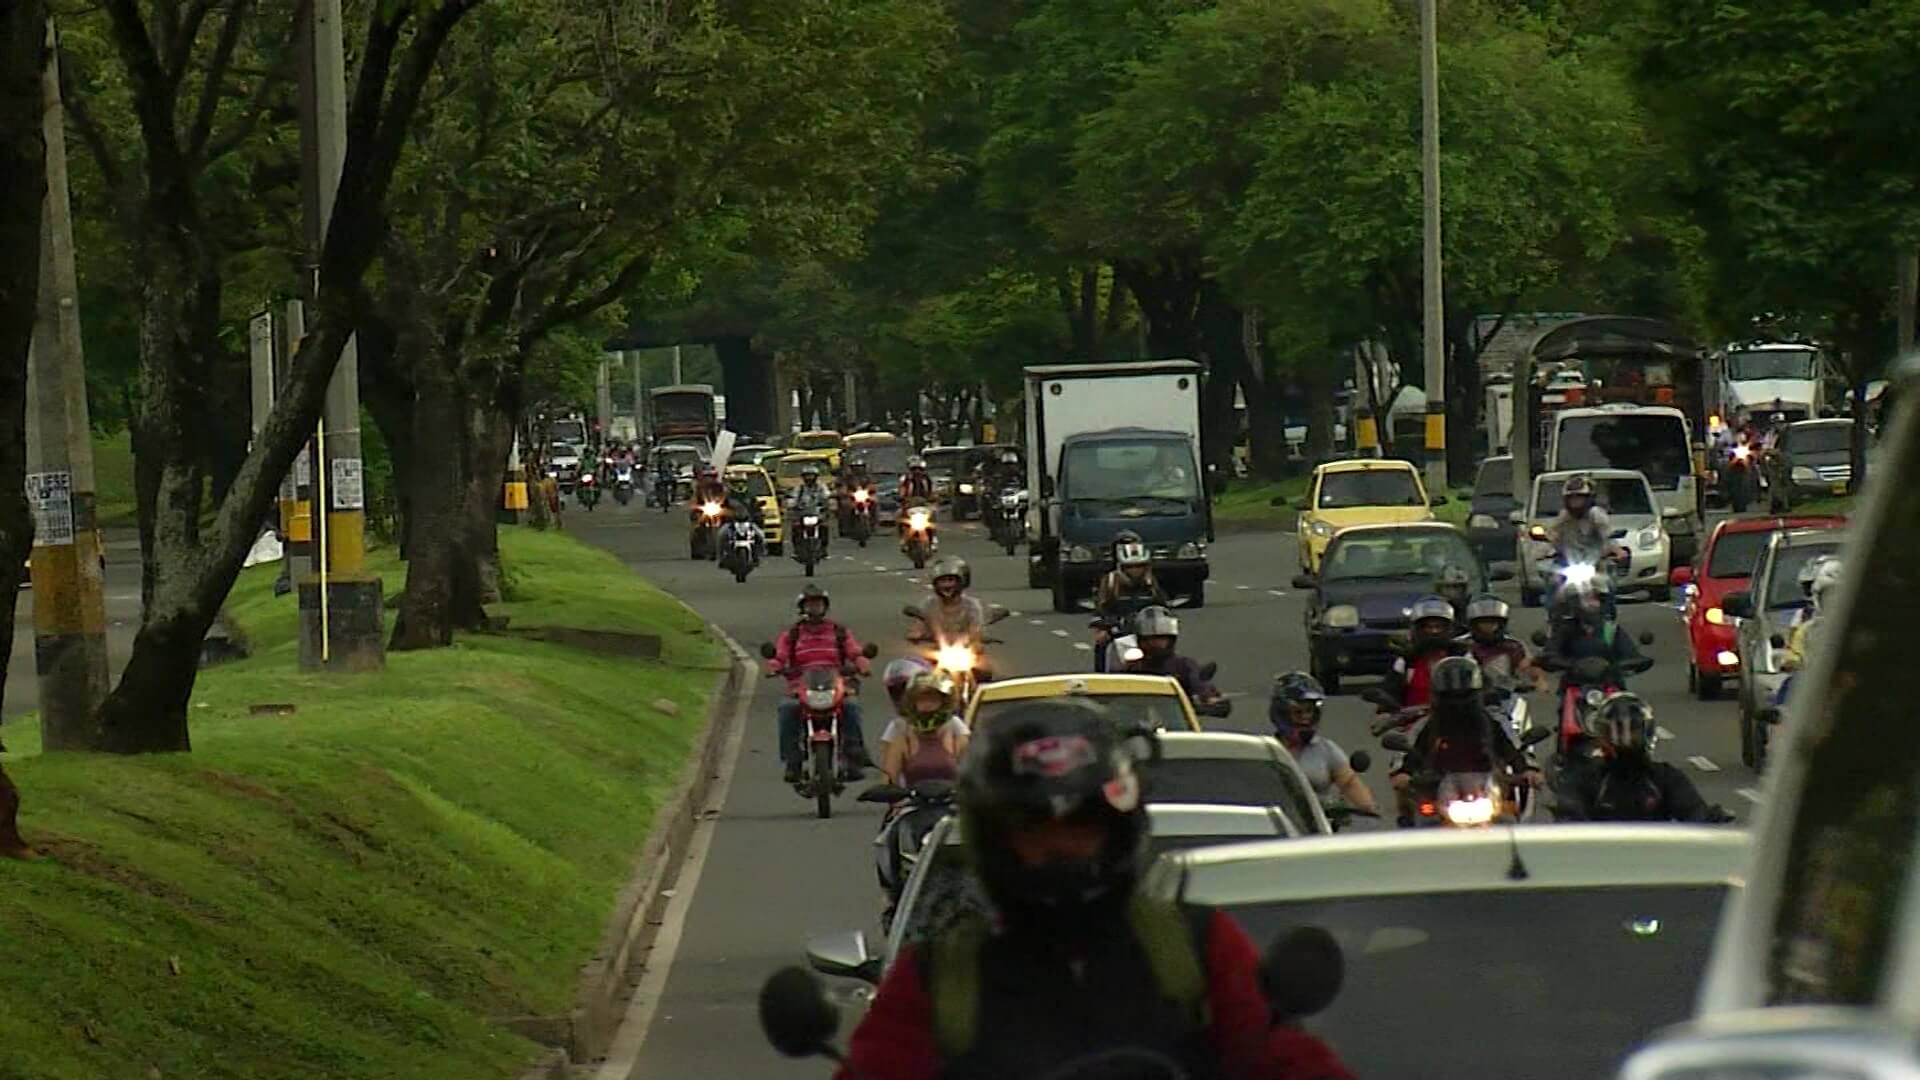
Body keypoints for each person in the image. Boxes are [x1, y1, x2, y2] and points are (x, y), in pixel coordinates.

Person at [836, 700, 1357, 1080]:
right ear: (996, 841)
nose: (1063, 847)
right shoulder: (940, 979)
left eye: (1083, 827)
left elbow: (1285, 1059)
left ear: (1120, 828)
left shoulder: (1194, 948)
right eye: (1036, 832)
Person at [1390, 656, 1540, 825]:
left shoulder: (1493, 721)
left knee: (1513, 821)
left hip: (1488, 786)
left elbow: (1513, 747)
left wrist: (1528, 769)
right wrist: (1402, 772)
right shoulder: (1427, 724)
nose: (1458, 703)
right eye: (1450, 696)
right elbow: (1410, 750)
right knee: (1419, 824)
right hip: (1438, 789)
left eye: (1465, 695)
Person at [1551, 693, 1722, 822]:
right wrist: (1569, 815)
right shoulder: (1587, 778)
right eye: (1616, 732)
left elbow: (1692, 809)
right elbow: (1569, 812)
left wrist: (1706, 817)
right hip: (1601, 863)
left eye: (1633, 732)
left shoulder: (1665, 778)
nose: (1626, 741)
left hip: (1658, 863)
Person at [767, 584, 873, 783]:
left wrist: (862, 664)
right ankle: (793, 761)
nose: (814, 608)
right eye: (810, 604)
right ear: (802, 607)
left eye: (818, 604)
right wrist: (774, 666)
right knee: (787, 709)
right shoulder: (792, 634)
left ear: (825, 607)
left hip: (835, 683)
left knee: (851, 707)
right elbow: (779, 656)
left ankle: (853, 756)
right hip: (801, 686)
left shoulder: (839, 631)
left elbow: (855, 652)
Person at [1270, 672, 1378, 816]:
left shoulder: (1326, 750)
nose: (1305, 718)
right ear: (1282, 713)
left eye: (1310, 711)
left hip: (1319, 827)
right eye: (1298, 712)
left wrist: (1367, 807)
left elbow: (1349, 783)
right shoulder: (1266, 750)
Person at [881, 670, 970, 788]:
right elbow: (890, 777)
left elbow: (971, 771)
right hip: (913, 802)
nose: (927, 704)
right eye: (922, 699)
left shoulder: (955, 729)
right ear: (913, 702)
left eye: (932, 699)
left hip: (951, 803)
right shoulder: (903, 733)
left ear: (943, 701)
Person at [1381, 596, 1470, 711]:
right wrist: (1386, 707)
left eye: (1439, 627)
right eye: (1428, 627)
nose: (1434, 631)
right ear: (1417, 630)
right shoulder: (1406, 661)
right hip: (1414, 722)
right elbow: (1391, 692)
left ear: (1449, 628)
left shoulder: (1464, 657)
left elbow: (1482, 691)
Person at [1124, 605, 1221, 703]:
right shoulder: (1131, 666)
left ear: (1171, 639)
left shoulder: (1184, 666)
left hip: (1173, 717)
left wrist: (1209, 699)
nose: (1159, 644)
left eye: (1163, 638)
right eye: (1153, 639)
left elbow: (1201, 687)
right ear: (1141, 640)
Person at [1459, 594, 1547, 692]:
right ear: (1474, 624)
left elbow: (1530, 668)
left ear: (1501, 624)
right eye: (1484, 622)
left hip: (1504, 696)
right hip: (1464, 695)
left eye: (1493, 622)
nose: (1488, 626)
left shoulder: (1513, 645)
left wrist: (1538, 681)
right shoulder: (1460, 644)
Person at [909, 557, 1002, 648]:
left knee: (985, 662)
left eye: (950, 580)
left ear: (962, 582)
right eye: (942, 581)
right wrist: (916, 634)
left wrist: (979, 637)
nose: (946, 585)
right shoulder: (929, 603)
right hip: (935, 649)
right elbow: (919, 623)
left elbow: (977, 627)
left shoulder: (972, 605)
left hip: (967, 649)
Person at [1781, 555, 1844, 674]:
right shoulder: (1807, 630)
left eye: (1839, 595)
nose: (1833, 601)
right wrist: (1792, 662)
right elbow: (1794, 655)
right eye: (1828, 596)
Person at [1433, 564, 1473, 628]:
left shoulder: (1472, 608)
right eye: (1447, 587)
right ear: (1439, 589)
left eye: (1456, 587)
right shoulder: (1433, 608)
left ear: (1464, 589)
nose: (1452, 591)